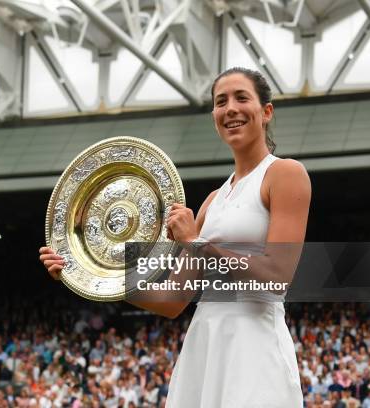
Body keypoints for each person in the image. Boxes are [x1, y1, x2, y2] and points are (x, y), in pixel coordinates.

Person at [39, 67, 311, 407]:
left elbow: (277, 277)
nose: (230, 109)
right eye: (220, 101)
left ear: (266, 111)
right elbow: (172, 301)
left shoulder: (285, 173)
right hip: (204, 348)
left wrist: (197, 242)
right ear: (214, 116)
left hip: (255, 349)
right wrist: (86, 275)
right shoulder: (212, 201)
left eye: (242, 98)